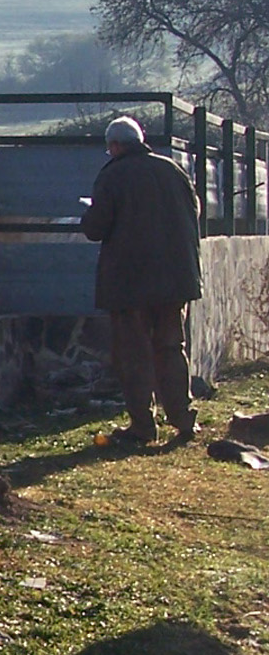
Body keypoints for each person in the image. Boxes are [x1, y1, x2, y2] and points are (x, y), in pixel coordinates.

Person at [79, 115, 200, 444]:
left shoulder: (113, 175)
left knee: (134, 354)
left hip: (130, 282)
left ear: (116, 146)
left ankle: (143, 426)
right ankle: (183, 418)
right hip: (176, 279)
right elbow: (195, 212)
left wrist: (87, 214)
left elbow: (96, 228)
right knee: (171, 348)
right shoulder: (173, 170)